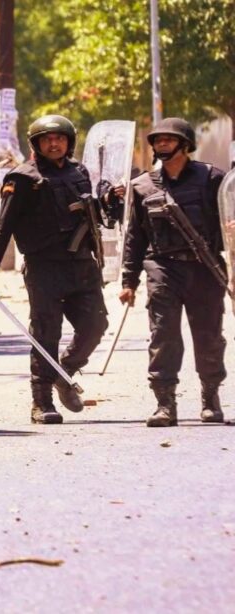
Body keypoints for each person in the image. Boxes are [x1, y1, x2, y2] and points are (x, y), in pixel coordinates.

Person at [0, 115, 109, 424]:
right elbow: (3, 226)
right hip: (44, 267)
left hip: (82, 265)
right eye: (47, 139)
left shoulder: (80, 173)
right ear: (36, 144)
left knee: (96, 325)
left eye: (59, 137)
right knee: (46, 333)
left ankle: (64, 371)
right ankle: (41, 402)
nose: (54, 143)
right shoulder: (22, 178)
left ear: (69, 141)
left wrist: (109, 201)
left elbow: (95, 217)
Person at [119, 118, 227, 427]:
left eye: (169, 139)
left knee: (208, 336)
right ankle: (165, 404)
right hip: (162, 268)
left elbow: (228, 224)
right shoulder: (142, 186)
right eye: (158, 140)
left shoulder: (211, 179)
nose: (162, 144)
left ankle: (210, 397)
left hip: (205, 268)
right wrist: (129, 280)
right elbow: (135, 237)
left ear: (185, 143)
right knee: (163, 335)